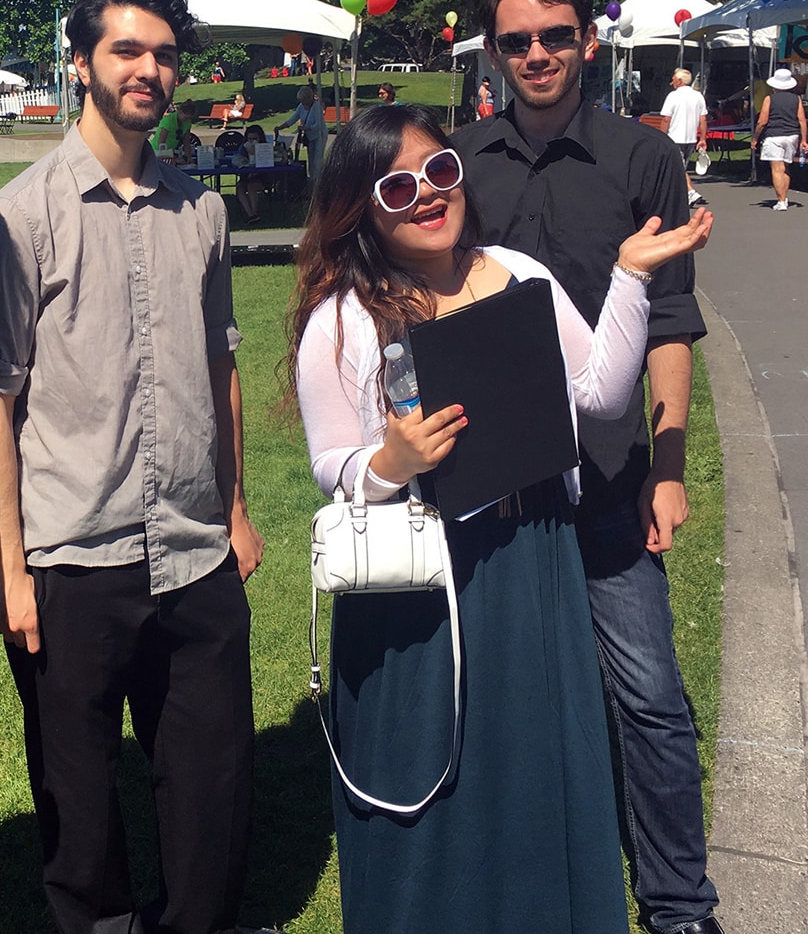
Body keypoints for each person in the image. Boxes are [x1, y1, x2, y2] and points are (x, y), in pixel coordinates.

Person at [293, 103, 711, 932]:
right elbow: (329, 463)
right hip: (423, 585)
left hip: (534, 553)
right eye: (397, 185)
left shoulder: (516, 273)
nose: (426, 196)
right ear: (361, 207)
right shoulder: (342, 317)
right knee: (439, 769)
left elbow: (597, 391)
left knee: (536, 756)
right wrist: (392, 463)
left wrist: (628, 277)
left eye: (440, 171)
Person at [0, 0, 264, 934]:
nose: (149, 69)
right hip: (70, 556)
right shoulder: (14, 219)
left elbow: (221, 370)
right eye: (128, 50)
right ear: (82, 61)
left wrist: (238, 508)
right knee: (80, 804)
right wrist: (7, 567)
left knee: (210, 780)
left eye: (165, 54)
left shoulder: (200, 213)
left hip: (193, 547)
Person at [452, 0, 723, 934]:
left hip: (609, 482)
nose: (535, 54)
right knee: (505, 703)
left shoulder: (641, 158)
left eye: (553, 36)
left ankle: (678, 905)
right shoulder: (461, 162)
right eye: (515, 40)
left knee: (647, 698)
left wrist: (670, 466)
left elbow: (670, 322)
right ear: (492, 51)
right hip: (495, 487)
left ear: (587, 40)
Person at [754, 68, 806, 212]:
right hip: (792, 136)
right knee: (786, 166)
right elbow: (802, 120)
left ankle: (781, 201)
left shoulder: (769, 99)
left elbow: (762, 121)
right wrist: (803, 140)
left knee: (777, 168)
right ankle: (784, 196)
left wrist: (755, 138)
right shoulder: (797, 99)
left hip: (774, 134)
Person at [661, 68, 709, 207]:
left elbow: (665, 119)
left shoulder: (673, 96)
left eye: (674, 79)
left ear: (680, 81)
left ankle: (690, 191)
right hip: (690, 138)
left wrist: (661, 136)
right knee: (681, 167)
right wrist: (703, 138)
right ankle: (682, 195)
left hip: (674, 137)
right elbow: (703, 119)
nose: (672, 82)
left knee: (679, 168)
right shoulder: (698, 96)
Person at [277, 85, 329, 171]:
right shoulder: (301, 107)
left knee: (317, 160)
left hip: (319, 135)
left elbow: (317, 126)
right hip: (310, 137)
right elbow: (292, 119)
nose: (302, 102)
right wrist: (280, 127)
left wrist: (306, 128)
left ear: (309, 98)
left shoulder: (316, 107)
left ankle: (318, 179)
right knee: (311, 161)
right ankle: (312, 178)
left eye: (303, 100)